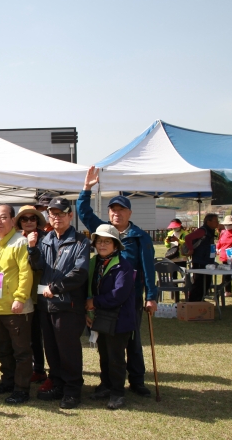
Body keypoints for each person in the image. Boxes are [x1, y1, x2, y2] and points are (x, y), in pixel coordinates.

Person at [78, 166, 157, 398]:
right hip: (105, 298)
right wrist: (86, 189)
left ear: (129, 213)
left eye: (121, 211)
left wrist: (151, 297)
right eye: (113, 210)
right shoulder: (104, 232)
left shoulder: (140, 237)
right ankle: (110, 383)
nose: (117, 214)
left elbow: (148, 268)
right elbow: (83, 212)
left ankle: (137, 380)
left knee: (132, 340)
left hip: (130, 298)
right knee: (107, 343)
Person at [28, 197, 90, 410]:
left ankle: (73, 389)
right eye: (52, 214)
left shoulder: (81, 241)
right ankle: (57, 383)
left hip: (68, 304)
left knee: (68, 349)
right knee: (51, 348)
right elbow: (38, 267)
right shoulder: (45, 240)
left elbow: (79, 273)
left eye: (61, 214)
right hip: (46, 304)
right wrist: (32, 249)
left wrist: (55, 288)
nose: (56, 217)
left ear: (70, 216)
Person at [0, 205, 34, 404]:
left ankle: (22, 389)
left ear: (12, 220)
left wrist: (20, 298)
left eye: (3, 218)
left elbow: (25, 273)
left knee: (21, 351)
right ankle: (8, 382)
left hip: (15, 307)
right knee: (4, 349)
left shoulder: (20, 242)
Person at [85, 225, 137, 410]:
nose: (102, 244)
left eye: (107, 241)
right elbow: (87, 289)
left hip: (120, 320)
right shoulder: (93, 263)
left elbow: (118, 294)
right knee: (104, 355)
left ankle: (117, 392)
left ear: (115, 245)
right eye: (99, 241)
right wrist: (88, 311)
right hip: (100, 318)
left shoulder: (123, 266)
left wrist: (94, 303)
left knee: (116, 357)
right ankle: (105, 385)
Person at [15, 205, 48, 386]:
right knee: (28, 335)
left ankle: (40, 369)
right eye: (24, 219)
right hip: (21, 293)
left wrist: (32, 246)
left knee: (40, 334)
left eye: (32, 219)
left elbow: (41, 266)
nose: (28, 222)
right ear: (19, 221)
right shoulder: (15, 239)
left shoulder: (46, 239)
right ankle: (37, 369)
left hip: (40, 292)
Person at [185, 213, 220, 302]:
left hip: (208, 260)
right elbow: (188, 237)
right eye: (215, 220)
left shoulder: (211, 231)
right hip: (200, 261)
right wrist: (191, 249)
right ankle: (193, 302)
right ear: (208, 222)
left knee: (207, 283)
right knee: (199, 283)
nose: (217, 222)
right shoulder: (203, 231)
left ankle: (200, 301)